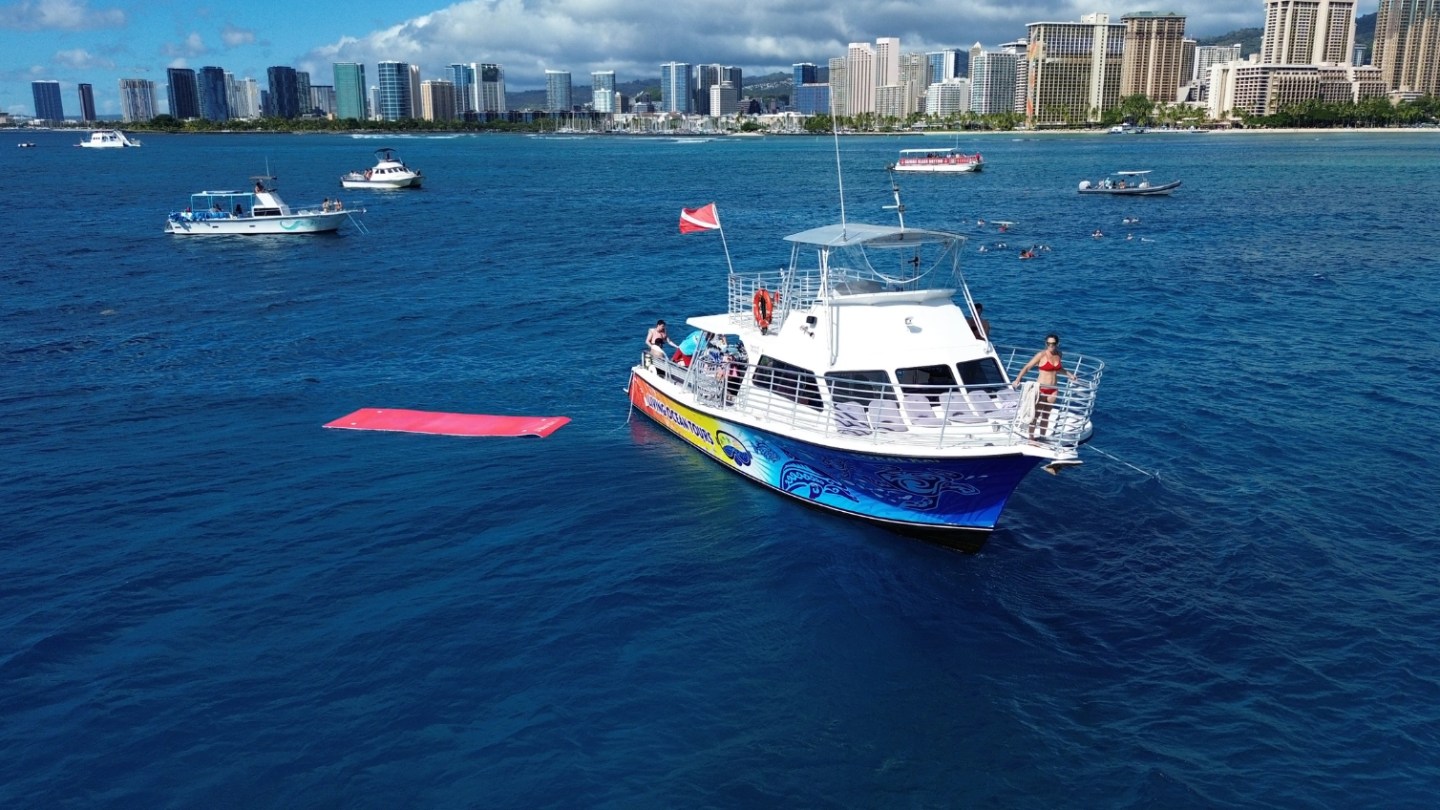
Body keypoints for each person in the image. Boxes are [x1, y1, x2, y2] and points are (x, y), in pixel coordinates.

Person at [1011, 333, 1077, 439]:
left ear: (1057, 344)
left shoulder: (1059, 354)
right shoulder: (1041, 355)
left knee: (1046, 416)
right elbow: (1027, 367)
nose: (1051, 346)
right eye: (1048, 343)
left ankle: (1042, 437)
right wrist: (1018, 379)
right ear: (1045, 343)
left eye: (1053, 343)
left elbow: (1059, 369)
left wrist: (1070, 375)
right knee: (1035, 415)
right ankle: (1031, 438)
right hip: (1041, 389)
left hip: (1053, 389)